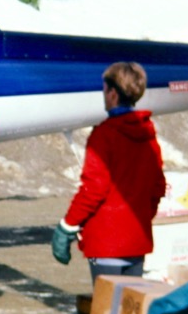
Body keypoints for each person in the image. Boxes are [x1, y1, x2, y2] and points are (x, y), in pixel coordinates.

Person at [51, 61, 166, 282]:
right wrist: (141, 218)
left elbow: (94, 189)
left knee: (107, 303)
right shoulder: (148, 135)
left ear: (113, 93)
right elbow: (158, 186)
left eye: (104, 89)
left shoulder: (104, 135)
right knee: (130, 303)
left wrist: (67, 226)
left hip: (105, 243)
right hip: (137, 242)